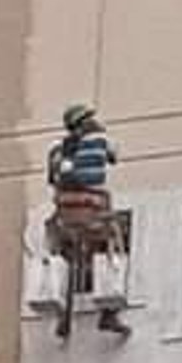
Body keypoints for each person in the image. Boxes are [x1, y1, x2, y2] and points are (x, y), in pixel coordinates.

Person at [44, 101, 129, 335]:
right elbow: (113, 156)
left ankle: (64, 318)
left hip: (65, 215)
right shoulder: (95, 142)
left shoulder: (58, 150)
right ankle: (108, 314)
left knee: (67, 262)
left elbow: (53, 179)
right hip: (91, 212)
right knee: (111, 252)